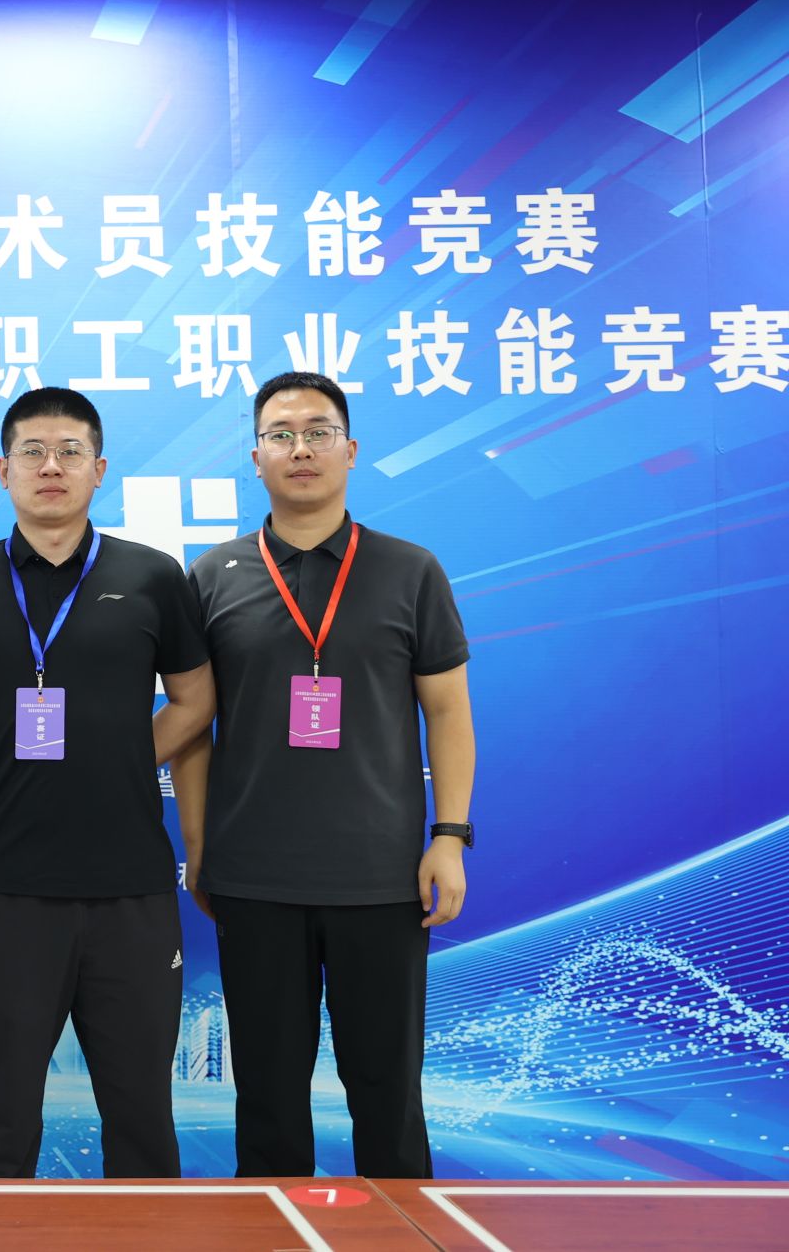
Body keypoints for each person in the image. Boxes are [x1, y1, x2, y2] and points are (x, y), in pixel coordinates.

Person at [0, 386, 215, 1179]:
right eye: (32, 452)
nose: (51, 466)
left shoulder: (152, 576)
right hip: (7, 890)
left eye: (71, 451)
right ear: (3, 470)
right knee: (1, 1116)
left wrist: (127, 758)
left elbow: (197, 697)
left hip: (131, 891)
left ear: (99, 469)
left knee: (142, 1117)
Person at [176, 371, 474, 1179]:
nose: (300, 448)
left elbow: (448, 711)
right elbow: (192, 727)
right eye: (281, 434)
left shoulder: (410, 570)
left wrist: (449, 836)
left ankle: (402, 1233)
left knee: (387, 1091)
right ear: (256, 457)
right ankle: (270, 1233)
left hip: (382, 876)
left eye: (317, 431)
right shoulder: (212, 576)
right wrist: (200, 847)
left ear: (350, 449)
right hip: (254, 876)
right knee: (267, 1097)